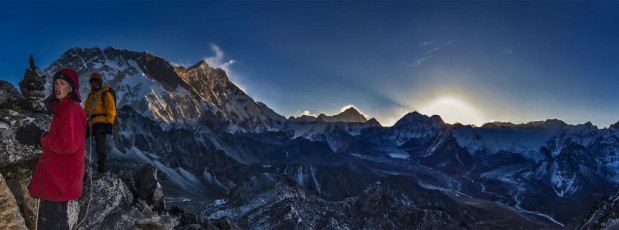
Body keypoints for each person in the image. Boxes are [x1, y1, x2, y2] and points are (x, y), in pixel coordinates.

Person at [15, 69, 86, 229]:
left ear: (72, 87)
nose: (57, 87)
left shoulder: (72, 109)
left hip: (58, 179)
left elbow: (69, 145)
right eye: (55, 83)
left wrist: (42, 136)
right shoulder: (64, 109)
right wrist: (41, 138)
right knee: (59, 222)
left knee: (48, 223)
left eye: (62, 83)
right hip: (58, 177)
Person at [84, 73, 116, 179]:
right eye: (92, 82)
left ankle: (102, 170)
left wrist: (110, 123)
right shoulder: (90, 96)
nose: (94, 84)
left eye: (96, 82)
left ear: (100, 83)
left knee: (100, 147)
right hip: (92, 122)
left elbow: (111, 109)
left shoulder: (105, 94)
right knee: (79, 138)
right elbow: (85, 111)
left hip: (102, 122)